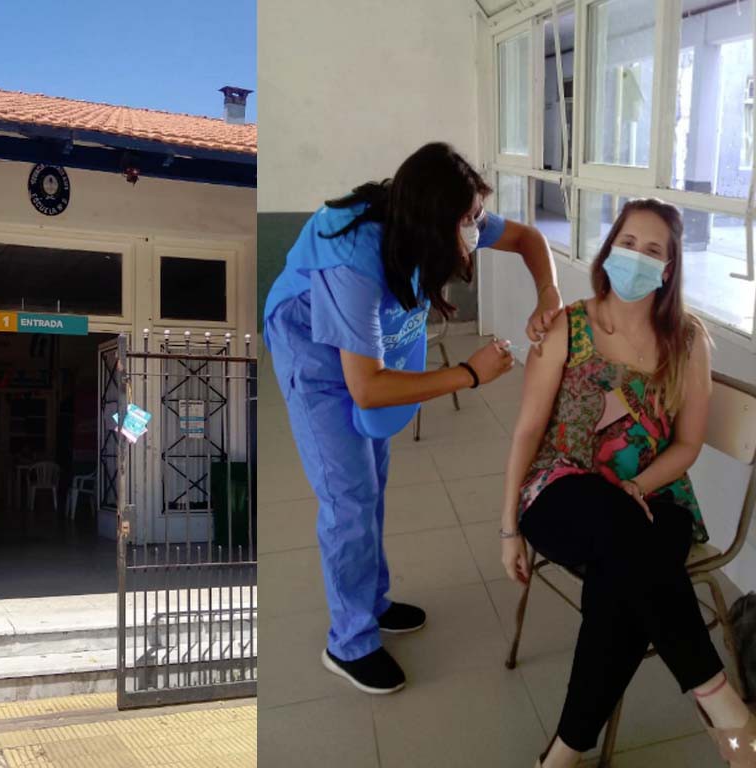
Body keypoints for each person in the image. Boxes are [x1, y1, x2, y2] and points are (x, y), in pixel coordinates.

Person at [264, 142, 562, 694]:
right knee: (347, 494)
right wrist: (470, 375)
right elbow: (369, 388)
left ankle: (372, 602)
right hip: (308, 342)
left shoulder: (437, 213)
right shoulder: (353, 253)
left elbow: (529, 239)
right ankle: (348, 642)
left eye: (476, 216)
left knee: (372, 475)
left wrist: (549, 292)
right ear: (431, 221)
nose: (476, 230)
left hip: (363, 345)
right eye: (468, 220)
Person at [499, 198, 755, 767]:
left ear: (669, 269)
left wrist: (638, 485)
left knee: (623, 580)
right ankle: (728, 711)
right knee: (630, 550)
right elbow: (527, 431)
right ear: (610, 247)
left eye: (653, 250)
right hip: (562, 484)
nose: (637, 256)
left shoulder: (688, 342)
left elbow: (685, 446)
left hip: (657, 494)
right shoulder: (569, 324)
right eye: (628, 243)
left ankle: (565, 751)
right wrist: (508, 528)